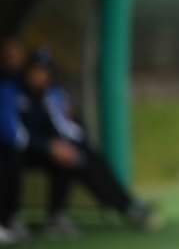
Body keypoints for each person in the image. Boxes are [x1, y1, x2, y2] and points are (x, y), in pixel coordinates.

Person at [17, 49, 157, 236]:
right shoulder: (16, 94)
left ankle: (126, 204)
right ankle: (57, 216)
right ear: (28, 71)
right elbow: (17, 133)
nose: (42, 75)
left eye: (45, 71)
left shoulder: (52, 95)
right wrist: (49, 146)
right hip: (24, 150)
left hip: (50, 148)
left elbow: (67, 127)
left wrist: (71, 140)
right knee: (68, 157)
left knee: (86, 155)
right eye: (37, 70)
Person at [0, 38, 30, 244]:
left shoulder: (20, 82)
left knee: (12, 159)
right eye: (9, 55)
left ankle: (9, 218)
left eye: (17, 55)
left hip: (14, 143)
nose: (14, 60)